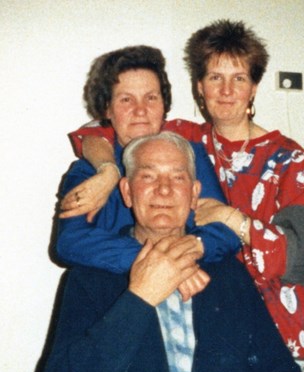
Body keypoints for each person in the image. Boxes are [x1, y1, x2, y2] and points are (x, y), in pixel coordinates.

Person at [61, 21, 304, 372]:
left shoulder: (275, 159)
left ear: (255, 86)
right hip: (187, 310)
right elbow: (99, 134)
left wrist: (217, 231)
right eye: (215, 77)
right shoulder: (188, 141)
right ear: (199, 86)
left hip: (295, 330)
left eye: (239, 77)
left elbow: (280, 252)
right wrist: (107, 171)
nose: (227, 91)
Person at [42, 132, 304, 372]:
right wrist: (139, 298)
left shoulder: (228, 274)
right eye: (148, 176)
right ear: (127, 193)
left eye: (178, 177)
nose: (164, 189)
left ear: (194, 195)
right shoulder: (89, 279)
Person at [55, 45, 241, 301]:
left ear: (164, 106)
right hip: (118, 295)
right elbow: (70, 242)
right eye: (126, 99)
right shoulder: (88, 171)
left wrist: (193, 248)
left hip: (191, 290)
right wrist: (159, 264)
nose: (140, 110)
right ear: (107, 110)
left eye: (151, 97)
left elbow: (227, 231)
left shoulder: (191, 157)